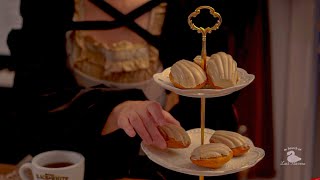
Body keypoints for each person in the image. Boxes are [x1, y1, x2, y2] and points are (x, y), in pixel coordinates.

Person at [6, 0, 255, 179]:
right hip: (72, 157)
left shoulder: (186, 8)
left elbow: (208, 109)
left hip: (155, 165)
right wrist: (113, 108)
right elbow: (32, 100)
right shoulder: (49, 5)